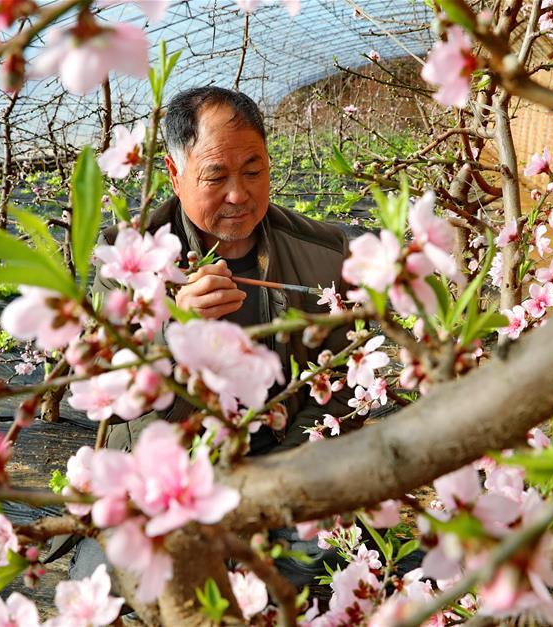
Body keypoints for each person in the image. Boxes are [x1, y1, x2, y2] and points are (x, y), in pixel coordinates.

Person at [53, 86, 358, 584]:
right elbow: (95, 386)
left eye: (254, 171)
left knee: (319, 572)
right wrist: (173, 325)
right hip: (161, 471)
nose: (239, 194)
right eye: (215, 175)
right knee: (116, 585)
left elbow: (338, 391)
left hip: (278, 468)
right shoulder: (128, 260)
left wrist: (272, 485)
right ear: (174, 175)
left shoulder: (322, 254)